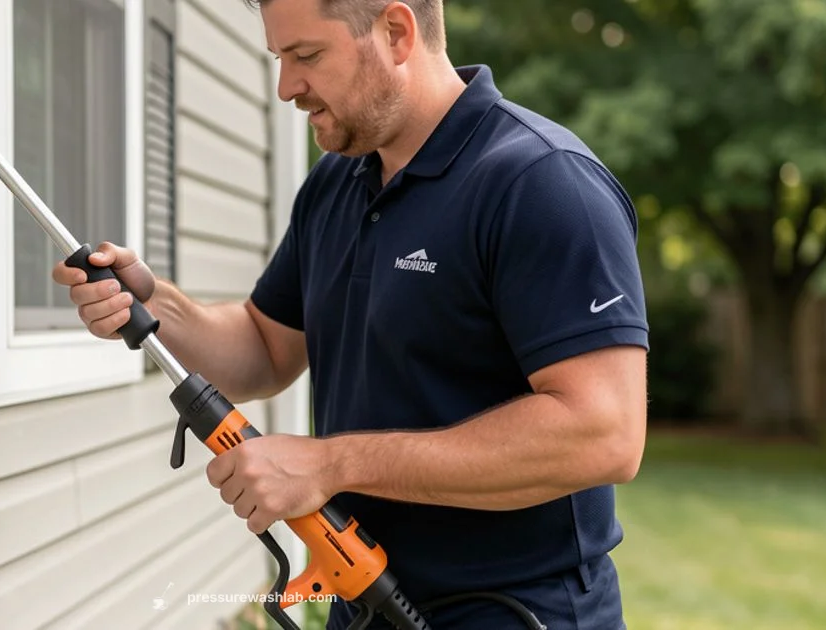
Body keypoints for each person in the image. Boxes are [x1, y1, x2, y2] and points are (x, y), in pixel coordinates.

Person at [52, 1, 649, 628]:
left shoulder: (542, 183)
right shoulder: (335, 183)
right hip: (361, 602)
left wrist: (331, 464)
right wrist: (157, 306)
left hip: (517, 614)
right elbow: (265, 347)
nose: (286, 88)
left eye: (306, 56)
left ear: (395, 32)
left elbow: (603, 433)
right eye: (280, 59)